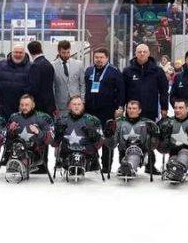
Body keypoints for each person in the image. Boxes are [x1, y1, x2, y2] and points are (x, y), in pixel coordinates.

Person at [83, 47, 126, 175]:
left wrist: (120, 107)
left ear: (107, 58)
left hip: (107, 110)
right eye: (96, 57)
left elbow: (121, 90)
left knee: (108, 138)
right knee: (91, 136)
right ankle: (93, 163)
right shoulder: (89, 70)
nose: (99, 60)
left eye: (101, 57)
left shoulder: (114, 71)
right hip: (91, 109)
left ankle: (106, 166)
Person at [156, 98, 188, 184]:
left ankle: (178, 170)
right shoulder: (167, 123)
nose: (177, 110)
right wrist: (165, 137)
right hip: (173, 154)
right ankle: (174, 170)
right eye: (175, 107)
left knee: (184, 152)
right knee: (172, 161)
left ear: (187, 109)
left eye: (180, 108)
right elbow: (162, 150)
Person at [3, 94, 54, 182]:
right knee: (16, 147)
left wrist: (38, 132)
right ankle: (16, 165)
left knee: (23, 153)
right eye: (22, 105)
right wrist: (10, 131)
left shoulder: (43, 117)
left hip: (35, 151)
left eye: (27, 105)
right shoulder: (14, 117)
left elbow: (50, 139)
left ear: (33, 105)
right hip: (16, 149)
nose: (24, 107)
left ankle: (20, 165)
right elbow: (6, 138)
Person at [51, 96, 104, 181]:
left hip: (87, 155)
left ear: (83, 106)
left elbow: (100, 144)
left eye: (79, 104)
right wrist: (58, 134)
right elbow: (54, 143)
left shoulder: (93, 120)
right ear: (69, 106)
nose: (76, 106)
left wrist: (94, 135)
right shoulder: (61, 120)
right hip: (67, 154)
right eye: (74, 104)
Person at [109, 100, 159, 181]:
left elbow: (152, 146)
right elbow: (112, 144)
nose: (131, 110)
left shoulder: (147, 123)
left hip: (141, 153)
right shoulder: (119, 122)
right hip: (124, 152)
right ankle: (126, 166)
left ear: (139, 110)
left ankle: (130, 167)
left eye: (134, 108)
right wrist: (109, 135)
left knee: (135, 151)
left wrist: (154, 136)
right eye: (129, 108)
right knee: (129, 155)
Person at [122, 43, 169, 123]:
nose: (142, 54)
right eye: (139, 52)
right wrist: (121, 107)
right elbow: (122, 91)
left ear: (149, 53)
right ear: (135, 53)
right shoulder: (127, 71)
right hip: (132, 112)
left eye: (144, 51)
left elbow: (164, 91)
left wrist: (164, 108)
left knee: (149, 134)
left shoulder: (157, 71)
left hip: (150, 111)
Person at [0, 43, 32, 120]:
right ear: (12, 53)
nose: (18, 54)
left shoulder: (31, 67)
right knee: (5, 126)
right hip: (4, 104)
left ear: (24, 53)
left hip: (22, 106)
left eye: (20, 52)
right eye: (16, 52)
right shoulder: (1, 65)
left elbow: (32, 87)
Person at [52, 40, 85, 115]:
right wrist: (54, 105)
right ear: (59, 51)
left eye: (68, 52)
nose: (66, 55)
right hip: (60, 104)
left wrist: (82, 101)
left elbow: (82, 84)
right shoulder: (52, 66)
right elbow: (52, 87)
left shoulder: (79, 64)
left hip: (77, 103)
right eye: (63, 53)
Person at [25, 40, 56, 116]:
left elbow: (34, 87)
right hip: (49, 103)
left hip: (39, 104)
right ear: (41, 49)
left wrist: (24, 90)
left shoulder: (35, 65)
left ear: (30, 51)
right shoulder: (49, 64)